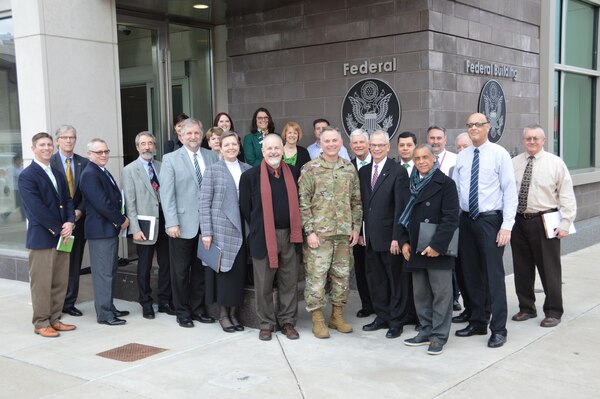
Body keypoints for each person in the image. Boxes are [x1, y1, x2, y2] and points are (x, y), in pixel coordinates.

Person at [452, 113, 517, 348]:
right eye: (469, 125)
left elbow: (509, 191)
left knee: (493, 277)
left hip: (490, 221)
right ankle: (478, 321)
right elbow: (458, 191)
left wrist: (507, 226)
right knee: (470, 275)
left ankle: (499, 328)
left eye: (478, 124)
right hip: (466, 221)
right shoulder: (463, 156)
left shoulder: (499, 154)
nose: (473, 128)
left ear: (488, 127)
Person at [299, 126, 362, 339]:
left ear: (341, 142)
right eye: (327, 141)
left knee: (342, 277)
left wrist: (355, 228)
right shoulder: (310, 168)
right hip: (320, 235)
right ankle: (317, 319)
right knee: (316, 278)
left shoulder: (348, 168)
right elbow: (303, 203)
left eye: (335, 140)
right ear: (321, 142)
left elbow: (356, 201)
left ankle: (337, 316)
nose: (332, 144)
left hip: (343, 235)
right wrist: (310, 232)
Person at [511, 124, 576, 328]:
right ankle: (526, 307)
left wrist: (566, 222)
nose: (532, 142)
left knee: (549, 268)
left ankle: (554, 310)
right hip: (518, 221)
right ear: (523, 140)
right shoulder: (513, 163)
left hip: (545, 220)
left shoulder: (555, 163)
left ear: (543, 140)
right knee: (522, 268)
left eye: (536, 138)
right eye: (528, 138)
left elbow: (566, 194)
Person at [239, 134, 303, 341]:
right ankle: (266, 323)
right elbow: (246, 209)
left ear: (283, 150)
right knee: (264, 283)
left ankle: (287, 322)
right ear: (263, 152)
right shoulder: (250, 176)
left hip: (290, 236)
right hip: (263, 237)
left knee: (288, 282)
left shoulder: (293, 172)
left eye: (277, 148)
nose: (273, 152)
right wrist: (263, 227)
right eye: (269, 149)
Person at [399, 145, 459, 355]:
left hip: (437, 248)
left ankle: (439, 336)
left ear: (434, 159)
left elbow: (451, 218)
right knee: (421, 293)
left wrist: (437, 246)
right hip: (416, 245)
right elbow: (404, 215)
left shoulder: (446, 184)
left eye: (425, 157)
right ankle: (425, 330)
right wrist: (404, 240)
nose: (421, 161)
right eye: (417, 158)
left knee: (442, 293)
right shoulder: (411, 182)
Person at [161, 118, 218, 328]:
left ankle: (198, 309)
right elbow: (167, 195)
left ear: (201, 135)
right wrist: (171, 223)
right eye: (189, 133)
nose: (193, 137)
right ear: (181, 136)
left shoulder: (212, 156)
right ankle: (182, 311)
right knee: (180, 271)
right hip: (182, 225)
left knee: (201, 270)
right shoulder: (170, 159)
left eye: (196, 133)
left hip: (207, 225)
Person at [19, 132, 76, 337]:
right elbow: (36, 209)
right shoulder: (27, 176)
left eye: (49, 144)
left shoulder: (58, 173)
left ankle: (54, 318)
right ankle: (41, 323)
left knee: (60, 281)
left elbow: (68, 201)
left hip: (63, 236)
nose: (46, 148)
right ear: (33, 148)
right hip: (43, 238)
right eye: (42, 145)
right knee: (42, 283)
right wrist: (59, 228)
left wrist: (70, 222)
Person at [358, 130, 413, 339]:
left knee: (395, 281)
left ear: (388, 147)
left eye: (381, 145)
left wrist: (397, 237)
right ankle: (382, 316)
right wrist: (362, 232)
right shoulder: (363, 172)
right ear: (369, 147)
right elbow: (363, 206)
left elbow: (401, 207)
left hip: (391, 240)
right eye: (374, 145)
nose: (377, 149)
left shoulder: (398, 171)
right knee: (376, 280)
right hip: (370, 238)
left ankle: (396, 321)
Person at [200, 132, 251, 333]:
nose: (231, 147)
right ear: (220, 147)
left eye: (234, 144)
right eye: (226, 144)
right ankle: (224, 315)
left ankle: (234, 313)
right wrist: (206, 232)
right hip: (221, 229)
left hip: (242, 228)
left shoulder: (247, 169)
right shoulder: (213, 170)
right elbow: (204, 202)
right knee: (224, 273)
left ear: (239, 146)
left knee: (238, 273)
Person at [122, 131, 173, 319]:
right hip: (145, 225)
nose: (147, 147)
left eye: (150, 143)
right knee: (144, 266)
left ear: (154, 146)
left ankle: (165, 301)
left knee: (166, 265)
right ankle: (146, 303)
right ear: (137, 147)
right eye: (143, 143)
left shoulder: (162, 166)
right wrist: (134, 228)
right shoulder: (129, 170)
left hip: (166, 223)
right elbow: (130, 202)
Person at [79, 138, 130, 326]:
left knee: (110, 271)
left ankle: (109, 307)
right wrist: (121, 220)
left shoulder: (101, 170)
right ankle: (104, 314)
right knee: (103, 274)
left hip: (107, 230)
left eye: (106, 151)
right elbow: (102, 204)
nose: (103, 155)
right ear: (89, 154)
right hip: (100, 232)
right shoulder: (90, 174)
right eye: (99, 152)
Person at [50, 125, 88, 317]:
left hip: (78, 223)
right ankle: (54, 303)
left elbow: (87, 192)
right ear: (57, 141)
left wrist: (79, 211)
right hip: (56, 225)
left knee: (74, 265)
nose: (68, 141)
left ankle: (69, 302)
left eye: (72, 137)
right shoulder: (50, 162)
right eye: (64, 137)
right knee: (55, 265)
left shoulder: (84, 162)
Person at [450, 131, 475, 323]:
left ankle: (480, 311)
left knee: (476, 270)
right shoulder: (456, 167)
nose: (461, 150)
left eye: (464, 146)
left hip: (478, 221)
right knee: (462, 269)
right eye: (458, 147)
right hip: (458, 223)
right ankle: (468, 308)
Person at [349, 128, 373, 318]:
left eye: (361, 142)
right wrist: (358, 229)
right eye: (355, 143)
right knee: (361, 268)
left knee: (379, 269)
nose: (358, 146)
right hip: (356, 228)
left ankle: (383, 303)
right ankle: (367, 305)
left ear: (368, 144)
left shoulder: (378, 164)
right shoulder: (347, 167)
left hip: (376, 227)